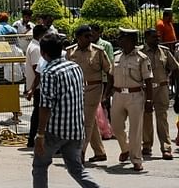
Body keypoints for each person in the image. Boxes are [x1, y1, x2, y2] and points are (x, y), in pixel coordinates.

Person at [21, 33, 123, 188]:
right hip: (76, 129)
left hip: (55, 130)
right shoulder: (75, 67)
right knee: (77, 169)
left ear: (43, 53)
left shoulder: (50, 72)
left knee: (40, 166)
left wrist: (40, 134)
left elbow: (45, 106)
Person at [65, 26, 111, 163]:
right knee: (91, 120)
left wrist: (108, 91)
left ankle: (81, 152)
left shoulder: (98, 51)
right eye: (86, 36)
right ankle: (100, 152)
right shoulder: (70, 51)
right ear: (78, 37)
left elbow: (109, 71)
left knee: (85, 121)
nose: (90, 38)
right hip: (76, 89)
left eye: (90, 36)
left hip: (94, 88)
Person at [109, 28, 152, 171]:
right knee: (116, 126)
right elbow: (111, 76)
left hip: (135, 96)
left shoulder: (142, 58)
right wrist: (107, 93)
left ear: (131, 40)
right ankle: (125, 148)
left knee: (135, 129)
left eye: (123, 38)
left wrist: (149, 101)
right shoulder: (116, 56)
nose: (120, 40)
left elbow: (149, 81)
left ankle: (136, 159)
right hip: (118, 94)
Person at [140, 28, 178, 160]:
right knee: (146, 117)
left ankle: (166, 148)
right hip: (145, 89)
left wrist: (171, 79)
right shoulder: (140, 53)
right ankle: (146, 146)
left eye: (158, 37)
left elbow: (175, 67)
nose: (157, 39)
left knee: (162, 118)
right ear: (146, 38)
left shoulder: (165, 52)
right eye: (154, 37)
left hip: (161, 88)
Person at [24, 25, 48, 144]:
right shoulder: (36, 49)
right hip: (39, 86)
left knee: (38, 112)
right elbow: (37, 70)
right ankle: (32, 137)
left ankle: (33, 137)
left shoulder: (35, 46)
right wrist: (33, 89)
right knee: (39, 112)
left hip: (37, 85)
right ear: (41, 35)